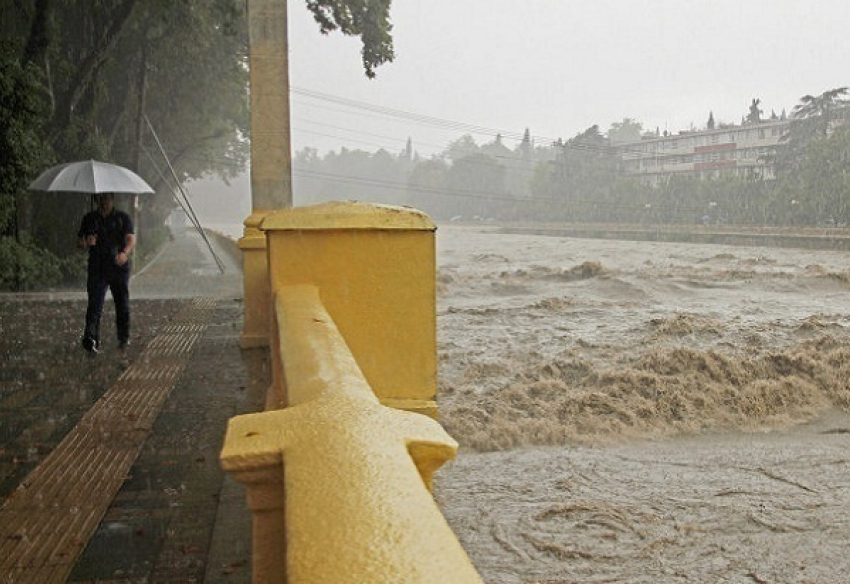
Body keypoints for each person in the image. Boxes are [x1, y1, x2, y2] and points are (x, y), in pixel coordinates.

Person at [77, 192, 136, 354]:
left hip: (118, 266)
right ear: (97, 200)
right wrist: (86, 242)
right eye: (101, 199)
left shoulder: (122, 218)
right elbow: (79, 241)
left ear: (112, 199)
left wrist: (124, 253)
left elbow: (130, 238)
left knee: (122, 303)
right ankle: (91, 338)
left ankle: (123, 338)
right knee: (95, 304)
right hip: (97, 266)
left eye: (107, 198)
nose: (104, 202)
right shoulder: (89, 218)